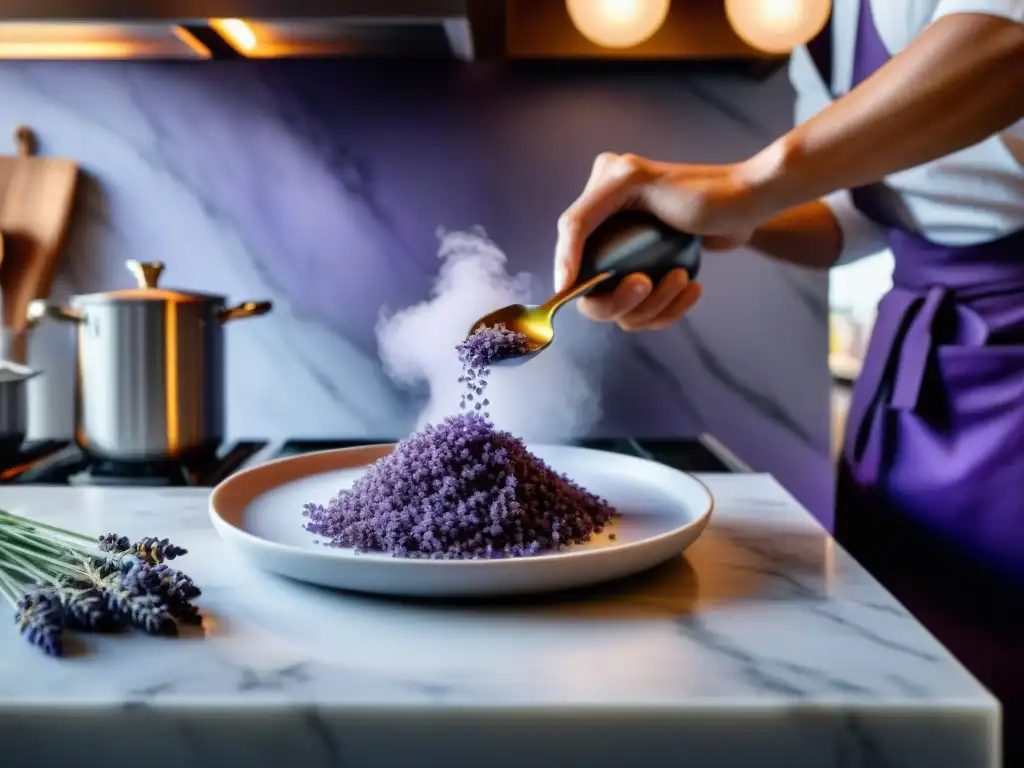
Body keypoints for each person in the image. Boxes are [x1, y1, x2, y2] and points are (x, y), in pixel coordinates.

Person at [554, 0, 1024, 761]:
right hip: (922, 382)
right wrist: (730, 218)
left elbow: (1005, 46)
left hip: (1010, 363)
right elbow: (854, 214)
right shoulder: (818, 23)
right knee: (919, 677)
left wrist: (750, 182)